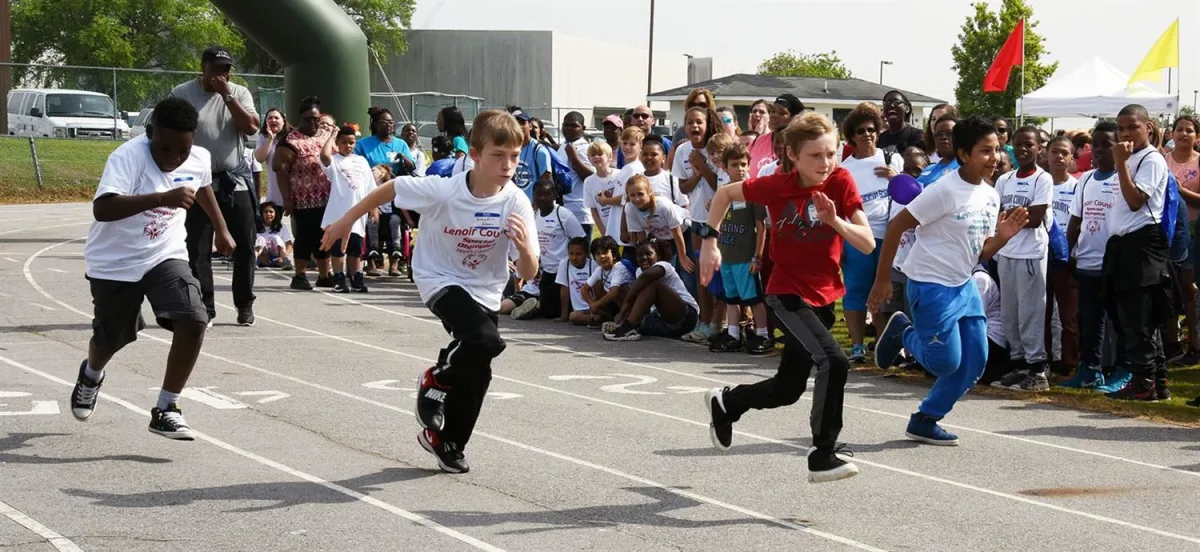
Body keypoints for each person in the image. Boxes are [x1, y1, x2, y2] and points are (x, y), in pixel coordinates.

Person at [320, 110, 538, 473]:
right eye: (498, 156)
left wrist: (527, 251)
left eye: (514, 156)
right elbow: (393, 188)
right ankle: (436, 377)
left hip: (484, 288)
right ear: (475, 153)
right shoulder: (445, 189)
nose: (507, 165)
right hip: (438, 277)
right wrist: (346, 220)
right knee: (487, 342)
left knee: (479, 370)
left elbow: (529, 273)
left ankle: (447, 441)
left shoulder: (515, 202)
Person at [699, 112, 875, 483]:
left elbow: (866, 241)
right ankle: (823, 453)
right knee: (834, 361)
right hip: (785, 294)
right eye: (815, 156)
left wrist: (835, 222)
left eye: (830, 154)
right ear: (793, 155)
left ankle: (727, 403)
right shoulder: (775, 186)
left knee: (787, 390)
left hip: (824, 298)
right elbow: (725, 194)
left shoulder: (841, 182)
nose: (825, 163)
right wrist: (709, 242)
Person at [71, 97, 236, 440]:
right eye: (166, 149)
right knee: (110, 339)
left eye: (182, 151)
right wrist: (162, 198)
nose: (174, 159)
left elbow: (202, 185)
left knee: (194, 317)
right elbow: (102, 209)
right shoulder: (128, 158)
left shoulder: (198, 157)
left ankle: (167, 408)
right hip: (115, 262)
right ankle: (92, 373)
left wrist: (221, 228)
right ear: (150, 133)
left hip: (165, 254)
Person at [870, 115, 1028, 445]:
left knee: (974, 362)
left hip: (964, 283)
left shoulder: (990, 194)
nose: (995, 158)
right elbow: (898, 225)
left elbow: (981, 251)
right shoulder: (943, 191)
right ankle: (904, 332)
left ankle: (925, 420)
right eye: (985, 151)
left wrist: (1004, 236)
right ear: (963, 154)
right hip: (930, 284)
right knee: (946, 361)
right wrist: (882, 281)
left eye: (997, 149)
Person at [170, 46, 260, 327]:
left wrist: (228, 95)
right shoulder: (182, 93)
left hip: (233, 179)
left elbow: (251, 127)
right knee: (198, 247)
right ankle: (205, 307)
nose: (223, 74)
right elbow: (171, 129)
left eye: (227, 69)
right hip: (196, 183)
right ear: (203, 68)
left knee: (244, 243)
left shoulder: (239, 92)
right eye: (217, 68)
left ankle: (244, 304)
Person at [1103, 104, 1172, 401]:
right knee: (1133, 315)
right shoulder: (1131, 158)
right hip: (1124, 244)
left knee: (1139, 317)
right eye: (1121, 128)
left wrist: (1120, 163)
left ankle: (1144, 383)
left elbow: (1135, 201)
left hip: (1142, 243)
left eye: (1133, 126)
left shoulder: (1151, 159)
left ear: (1149, 127)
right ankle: (1156, 381)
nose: (1126, 133)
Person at [989, 127, 1054, 392]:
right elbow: (998, 216)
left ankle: (1038, 370)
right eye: (1018, 145)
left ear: (1039, 148)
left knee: (1031, 312)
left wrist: (1011, 214)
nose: (1023, 149)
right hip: (1006, 251)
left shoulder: (1043, 179)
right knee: (1010, 314)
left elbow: (1036, 217)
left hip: (1031, 253)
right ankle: (1019, 365)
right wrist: (1018, 213)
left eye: (1029, 145)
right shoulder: (1005, 179)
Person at [1063, 122, 1120, 389]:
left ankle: (1121, 371)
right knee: (1090, 319)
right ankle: (1090, 369)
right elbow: (1076, 220)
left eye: (1106, 144)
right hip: (1086, 261)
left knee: (1118, 322)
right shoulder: (1085, 179)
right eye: (1095, 144)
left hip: (1115, 264)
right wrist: (1066, 253)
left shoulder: (1124, 179)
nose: (1098, 150)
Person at [707, 143, 770, 355]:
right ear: (725, 167)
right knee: (731, 299)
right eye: (734, 165)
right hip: (727, 256)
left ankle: (762, 334)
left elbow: (761, 228)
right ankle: (733, 334)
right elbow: (715, 224)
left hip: (745, 257)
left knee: (753, 299)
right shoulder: (723, 193)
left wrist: (757, 257)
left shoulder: (753, 192)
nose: (740, 169)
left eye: (744, 164)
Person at [273, 96, 336, 290]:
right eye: (308, 119)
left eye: (316, 119)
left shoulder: (325, 135)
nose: (313, 123)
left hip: (327, 197)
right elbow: (280, 169)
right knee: (305, 237)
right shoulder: (290, 141)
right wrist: (286, 199)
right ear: (300, 118)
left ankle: (324, 275)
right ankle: (299, 275)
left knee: (323, 236)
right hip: (303, 199)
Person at [321, 124, 378, 293]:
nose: (348, 146)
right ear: (337, 144)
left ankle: (356, 276)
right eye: (344, 142)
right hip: (338, 214)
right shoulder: (334, 161)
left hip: (358, 215)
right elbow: (324, 156)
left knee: (355, 249)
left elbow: (371, 187)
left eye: (351, 142)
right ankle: (339, 278)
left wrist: (374, 208)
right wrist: (332, 135)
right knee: (338, 250)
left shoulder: (361, 161)